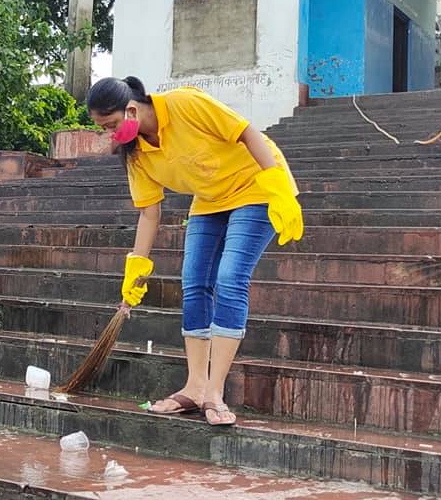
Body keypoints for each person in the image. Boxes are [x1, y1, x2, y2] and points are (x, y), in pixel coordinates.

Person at [86, 76, 303, 426]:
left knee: (230, 277)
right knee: (194, 281)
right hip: (210, 198)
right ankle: (196, 386)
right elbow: (149, 212)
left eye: (111, 125)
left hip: (257, 186)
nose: (110, 135)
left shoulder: (184, 103)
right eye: (103, 129)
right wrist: (136, 267)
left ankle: (215, 392)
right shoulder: (136, 153)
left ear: (131, 109)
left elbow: (247, 133)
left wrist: (278, 187)